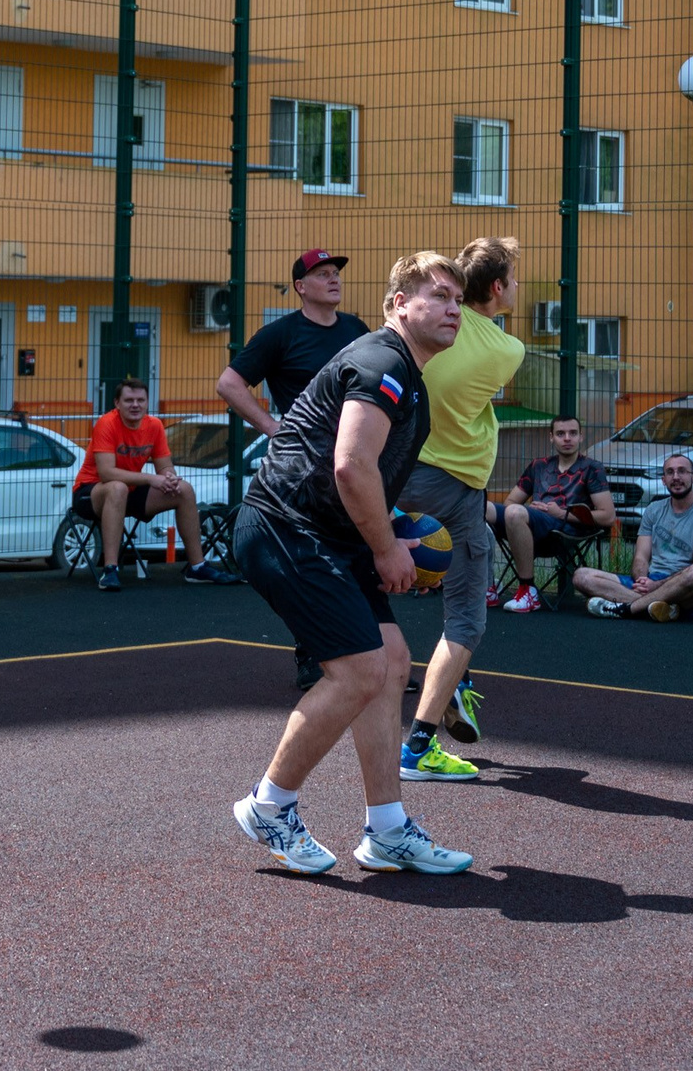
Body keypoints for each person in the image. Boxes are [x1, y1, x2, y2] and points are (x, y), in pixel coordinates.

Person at [229, 252, 474, 878]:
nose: (453, 308)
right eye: (439, 295)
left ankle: (387, 830)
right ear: (398, 304)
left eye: (459, 300)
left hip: (331, 536)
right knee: (360, 669)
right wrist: (388, 548)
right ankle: (269, 806)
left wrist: (387, 538)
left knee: (391, 663)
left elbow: (363, 478)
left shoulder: (405, 372)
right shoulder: (382, 361)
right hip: (287, 526)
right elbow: (351, 465)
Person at [397, 237, 527, 783]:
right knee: (466, 621)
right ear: (496, 289)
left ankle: (459, 685)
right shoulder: (506, 351)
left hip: (399, 479)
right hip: (457, 489)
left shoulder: (425, 336)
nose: (518, 287)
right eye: (514, 279)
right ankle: (419, 747)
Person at [75, 377, 239, 592]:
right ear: (117, 403)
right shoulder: (107, 423)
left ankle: (197, 567)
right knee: (117, 487)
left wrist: (169, 478)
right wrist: (153, 479)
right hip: (91, 493)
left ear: (147, 402)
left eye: (140, 400)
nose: (135, 405)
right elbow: (107, 473)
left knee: (184, 489)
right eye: (129, 400)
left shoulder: (154, 425)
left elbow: (165, 467)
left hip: (129, 492)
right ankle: (110, 570)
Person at [216, 249, 370, 438]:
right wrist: (271, 426)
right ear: (300, 286)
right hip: (306, 451)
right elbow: (228, 384)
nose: (334, 280)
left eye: (336, 274)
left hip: (355, 444)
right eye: (323, 274)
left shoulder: (356, 328)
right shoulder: (279, 334)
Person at [492, 412, 619, 613]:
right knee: (481, 509)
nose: (567, 438)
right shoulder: (539, 466)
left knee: (515, 513)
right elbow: (510, 502)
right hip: (531, 524)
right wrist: (529, 510)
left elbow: (608, 517)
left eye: (572, 433)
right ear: (551, 437)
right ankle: (486, 584)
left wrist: (561, 514)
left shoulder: (592, 469)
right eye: (560, 433)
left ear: (581, 436)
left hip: (565, 530)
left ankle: (527, 591)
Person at [577, 452, 693, 621]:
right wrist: (642, 580)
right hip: (651, 579)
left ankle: (626, 609)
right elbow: (641, 557)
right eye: (670, 472)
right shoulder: (654, 509)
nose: (676, 477)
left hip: (683, 589)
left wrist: (657, 586)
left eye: (682, 471)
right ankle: (660, 608)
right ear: (663, 480)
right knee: (581, 576)